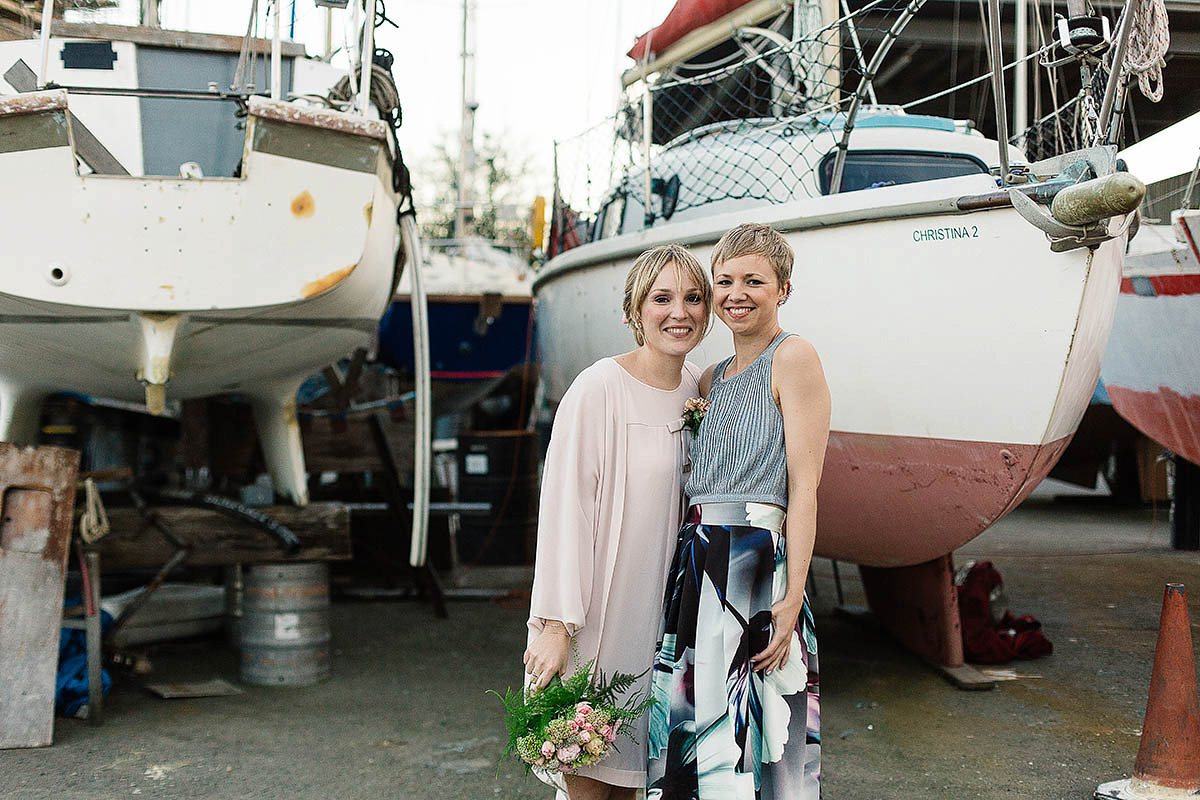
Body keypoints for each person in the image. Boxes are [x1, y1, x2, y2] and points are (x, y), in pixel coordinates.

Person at [647, 223, 830, 799]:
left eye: (754, 280)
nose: (735, 293)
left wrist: (792, 595)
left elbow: (804, 489)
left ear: (784, 288)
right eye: (723, 281)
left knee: (759, 733)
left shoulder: (793, 357)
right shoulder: (706, 379)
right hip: (696, 566)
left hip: (756, 564)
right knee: (696, 730)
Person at [524, 243, 714, 800]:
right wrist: (557, 625)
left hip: (661, 622)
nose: (678, 311)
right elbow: (564, 508)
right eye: (662, 298)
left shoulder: (698, 388)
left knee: (636, 783)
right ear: (635, 311)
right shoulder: (598, 388)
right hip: (598, 618)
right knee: (588, 780)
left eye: (692, 298)